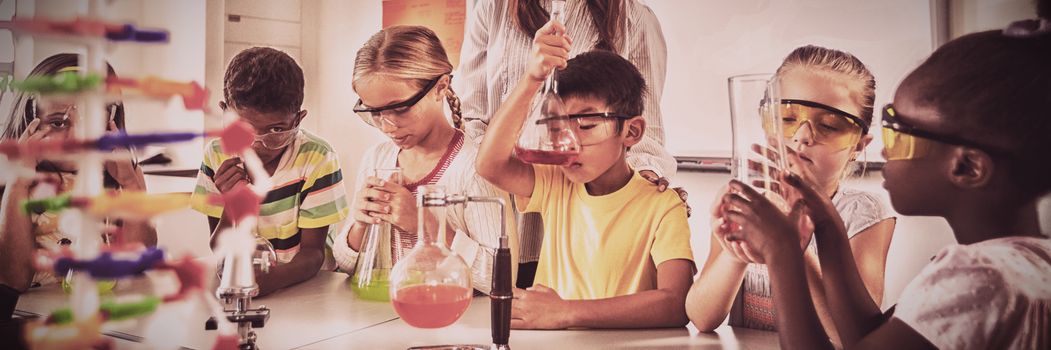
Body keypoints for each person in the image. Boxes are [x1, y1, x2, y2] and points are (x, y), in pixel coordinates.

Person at [715, 12, 1051, 349]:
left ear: (967, 167)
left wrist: (782, 252)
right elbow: (865, 337)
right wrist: (826, 223)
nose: (885, 154)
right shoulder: (1028, 264)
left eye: (897, 135)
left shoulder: (978, 280)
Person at [476, 18, 693, 329]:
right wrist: (532, 79)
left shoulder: (663, 205)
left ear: (631, 131)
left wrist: (566, 312)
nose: (568, 141)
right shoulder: (556, 183)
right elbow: (490, 165)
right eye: (559, 127)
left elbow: (676, 303)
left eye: (587, 126)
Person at [686, 46, 895, 343]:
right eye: (786, 118)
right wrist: (735, 254)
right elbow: (702, 317)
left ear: (860, 144)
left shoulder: (865, 212)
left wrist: (790, 246)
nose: (802, 136)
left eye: (829, 126)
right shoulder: (745, 201)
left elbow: (851, 338)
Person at [331, 25, 518, 293]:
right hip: (386, 317)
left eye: (400, 109)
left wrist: (425, 224)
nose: (387, 126)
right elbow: (346, 264)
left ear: (441, 87)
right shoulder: (377, 159)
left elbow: (500, 279)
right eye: (374, 112)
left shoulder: (474, 167)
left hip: (453, 322)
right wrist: (359, 225)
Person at [191, 47, 349, 296]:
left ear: (298, 119)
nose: (257, 143)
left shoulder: (317, 158)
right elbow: (220, 245)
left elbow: (313, 253)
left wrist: (272, 280)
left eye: (276, 131)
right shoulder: (216, 155)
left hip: (310, 290)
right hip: (243, 287)